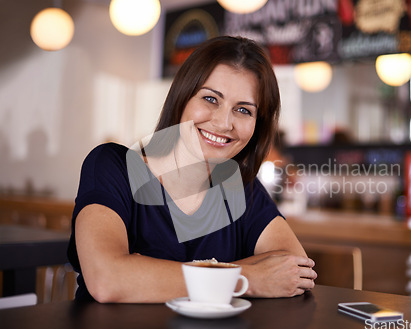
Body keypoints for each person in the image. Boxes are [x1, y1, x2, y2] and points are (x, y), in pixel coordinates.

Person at [67, 36, 317, 303]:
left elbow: (296, 270)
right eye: (210, 98)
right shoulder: (113, 166)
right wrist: (248, 277)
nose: (223, 123)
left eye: (243, 110)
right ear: (182, 97)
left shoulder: (241, 187)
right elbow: (107, 279)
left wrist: (143, 273)